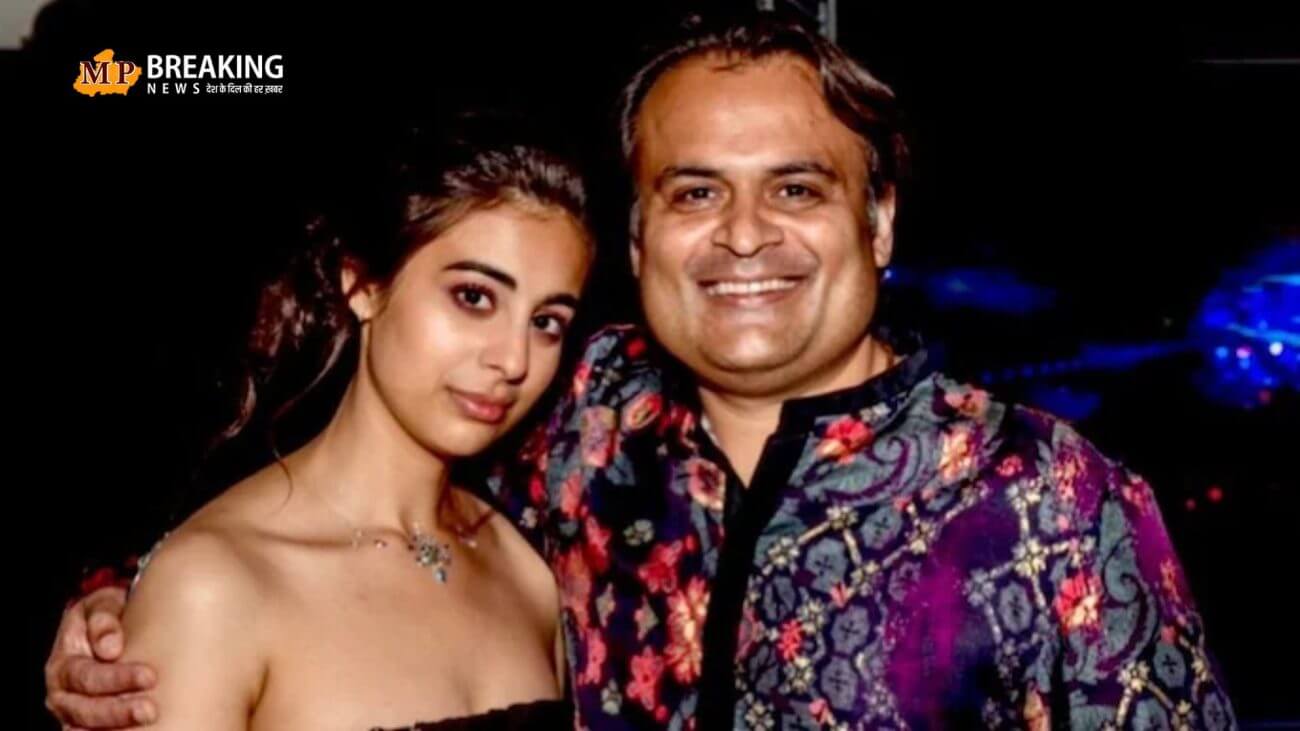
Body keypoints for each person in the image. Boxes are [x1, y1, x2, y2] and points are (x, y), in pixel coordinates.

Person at [47, 11, 1236, 730]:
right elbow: (338, 524)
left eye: (796, 187)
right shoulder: (574, 418)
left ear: (877, 223)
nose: (743, 235)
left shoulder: (1049, 498)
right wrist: (122, 606)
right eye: (694, 191)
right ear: (638, 239)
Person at [47, 115, 594, 730]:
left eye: (546, 322)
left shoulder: (528, 572)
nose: (514, 360)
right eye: (473, 297)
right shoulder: (214, 587)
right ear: (362, 285)